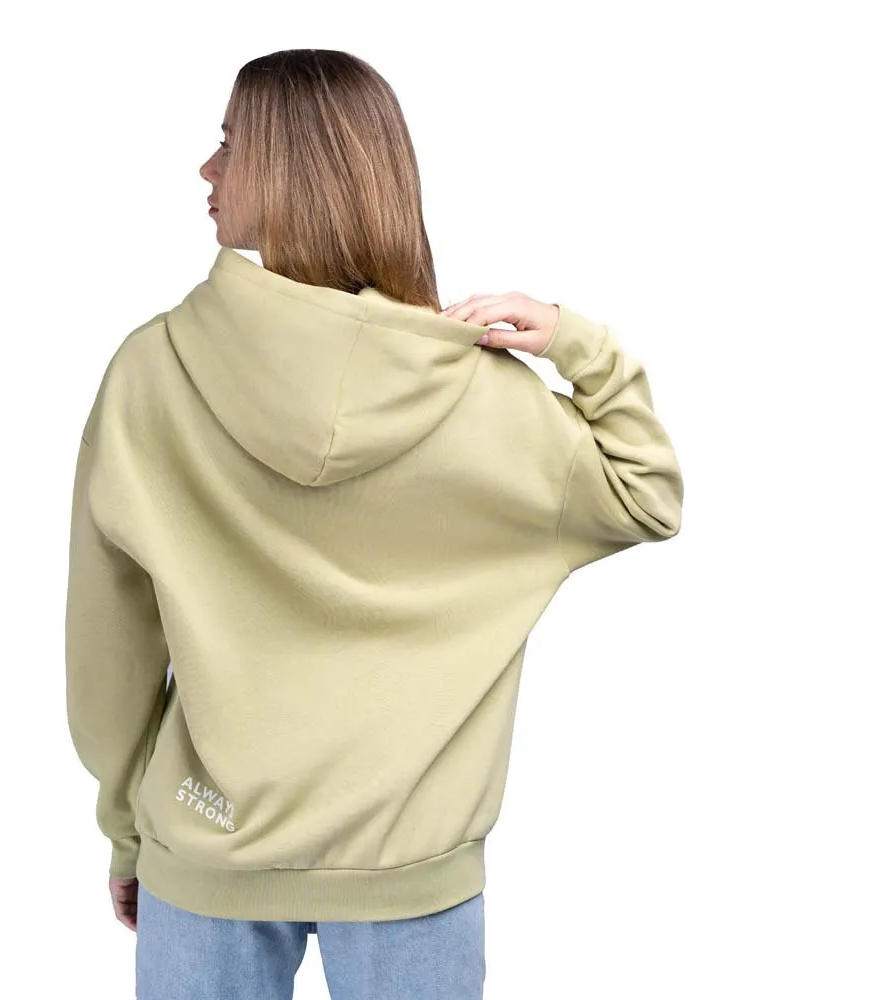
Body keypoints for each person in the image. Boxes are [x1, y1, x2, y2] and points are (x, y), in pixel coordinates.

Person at [65, 48, 684, 1000]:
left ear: (289, 167)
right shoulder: (481, 394)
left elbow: (110, 643)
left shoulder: (152, 372)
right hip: (413, 867)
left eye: (230, 141)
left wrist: (127, 828)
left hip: (206, 841)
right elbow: (646, 494)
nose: (206, 167)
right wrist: (575, 339)